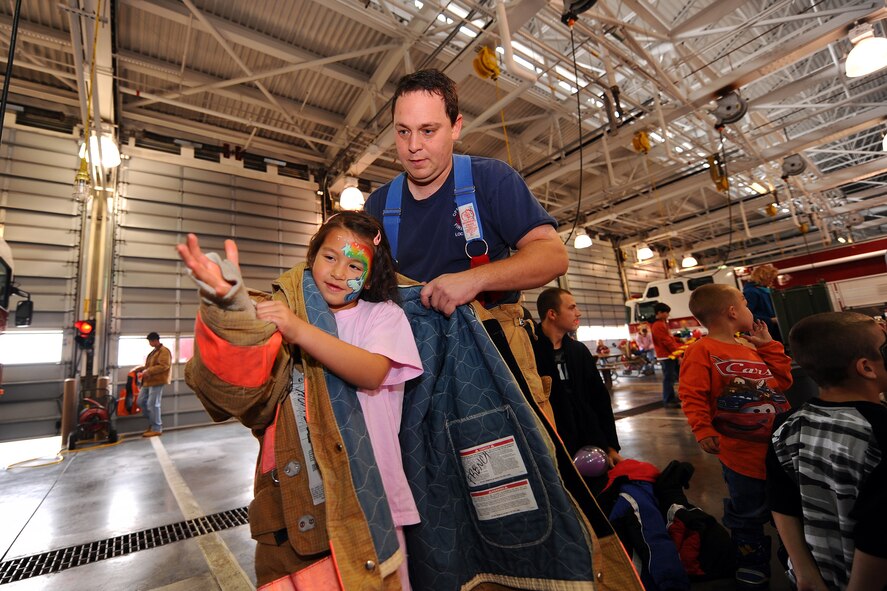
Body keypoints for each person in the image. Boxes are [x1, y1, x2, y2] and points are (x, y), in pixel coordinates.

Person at [176, 212, 423, 589]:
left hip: (373, 495)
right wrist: (228, 304)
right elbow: (244, 380)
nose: (339, 272)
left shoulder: (383, 316)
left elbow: (372, 372)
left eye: (354, 264)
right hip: (304, 496)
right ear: (312, 256)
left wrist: (298, 330)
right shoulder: (288, 310)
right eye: (329, 257)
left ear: (370, 277)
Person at [364, 68, 568, 428]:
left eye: (428, 131)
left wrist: (475, 280)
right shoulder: (379, 206)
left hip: (495, 355)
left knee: (519, 472)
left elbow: (553, 255)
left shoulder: (491, 179)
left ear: (456, 127)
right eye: (403, 131)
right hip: (415, 365)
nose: (413, 146)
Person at [679, 284, 793, 590]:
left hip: (779, 451)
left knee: (788, 512)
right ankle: (752, 563)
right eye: (745, 304)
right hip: (741, 456)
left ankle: (795, 560)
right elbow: (692, 394)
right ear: (732, 312)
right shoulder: (701, 351)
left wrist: (768, 346)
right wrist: (702, 429)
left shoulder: (750, 349)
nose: (749, 310)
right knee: (746, 514)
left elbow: (783, 381)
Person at [767, 312, 887, 591]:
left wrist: (804, 572)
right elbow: (879, 534)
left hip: (817, 574)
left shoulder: (786, 425)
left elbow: (781, 502)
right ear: (867, 368)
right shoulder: (879, 431)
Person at [530, 288, 622, 475]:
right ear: (552, 314)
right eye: (571, 307)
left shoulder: (578, 351)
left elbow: (600, 401)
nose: (578, 313)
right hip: (549, 450)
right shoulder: (529, 352)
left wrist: (610, 446)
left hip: (589, 444)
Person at [133, 331, 171, 437]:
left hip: (157, 381)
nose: (149, 343)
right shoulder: (153, 352)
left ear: (155, 340)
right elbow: (149, 365)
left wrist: (148, 371)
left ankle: (156, 428)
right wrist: (140, 369)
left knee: (153, 404)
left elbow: (164, 365)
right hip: (148, 382)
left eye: (150, 341)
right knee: (140, 402)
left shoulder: (164, 351)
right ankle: (152, 423)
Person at [650, 303, 682, 407]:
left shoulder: (662, 323)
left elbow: (669, 338)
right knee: (669, 378)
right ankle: (668, 399)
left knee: (671, 377)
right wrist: (677, 354)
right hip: (666, 355)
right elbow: (666, 341)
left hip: (668, 354)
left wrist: (678, 340)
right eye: (666, 312)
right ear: (659, 313)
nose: (668, 314)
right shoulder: (658, 325)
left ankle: (671, 397)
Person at [743, 264, 782, 342]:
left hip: (771, 329)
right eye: (770, 278)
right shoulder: (751, 292)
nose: (772, 280)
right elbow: (747, 314)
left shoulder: (763, 290)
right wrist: (770, 320)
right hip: (763, 331)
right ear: (763, 277)